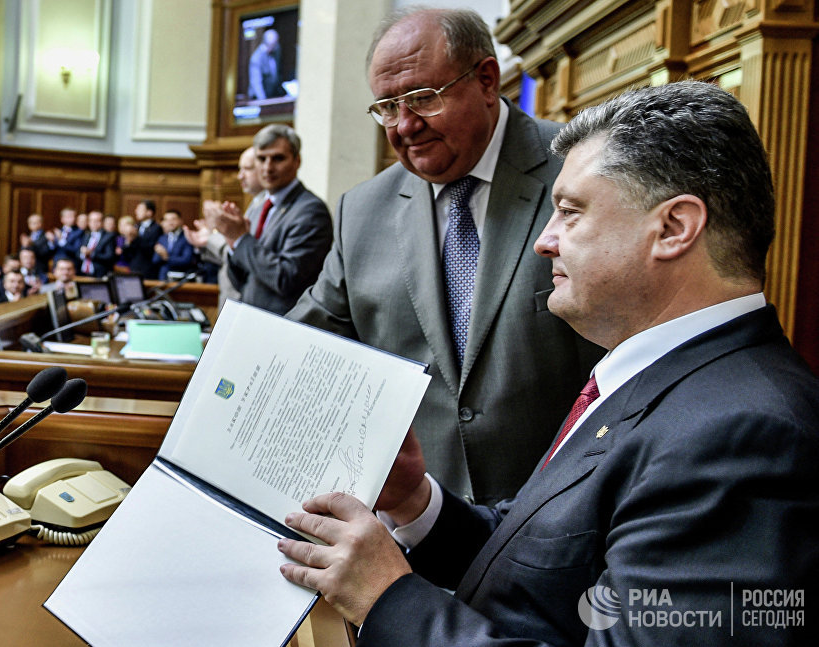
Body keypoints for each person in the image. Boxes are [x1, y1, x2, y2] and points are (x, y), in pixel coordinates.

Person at [277, 81, 819, 646]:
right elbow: (545, 561)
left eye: (570, 212)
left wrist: (389, 599)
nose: (545, 240)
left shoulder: (745, 436)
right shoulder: (658, 376)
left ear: (673, 228)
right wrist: (416, 502)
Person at [287, 7, 601, 505]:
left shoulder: (582, 171)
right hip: (417, 519)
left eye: (423, 98)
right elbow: (306, 342)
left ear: (486, 80)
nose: (405, 125)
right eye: (388, 106)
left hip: (562, 509)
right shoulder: (362, 211)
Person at [217, 124, 332, 316]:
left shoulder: (311, 210)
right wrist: (233, 243)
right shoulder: (259, 206)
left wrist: (241, 239)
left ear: (297, 161)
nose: (268, 167)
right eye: (261, 159)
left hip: (285, 322)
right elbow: (242, 280)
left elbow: (285, 278)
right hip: (250, 318)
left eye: (278, 158)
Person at [185, 147, 266, 309]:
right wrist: (209, 239)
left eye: (247, 169)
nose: (240, 175)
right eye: (240, 169)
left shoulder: (267, 208)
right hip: (232, 297)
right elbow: (234, 255)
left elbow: (249, 255)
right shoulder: (256, 204)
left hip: (246, 300)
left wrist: (213, 238)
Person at [152, 210, 196, 280]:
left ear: (180, 221)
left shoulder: (187, 237)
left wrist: (167, 257)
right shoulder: (162, 238)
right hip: (163, 277)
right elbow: (155, 260)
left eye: (173, 219)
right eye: (167, 220)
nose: (170, 223)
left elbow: (186, 260)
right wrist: (160, 253)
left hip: (181, 278)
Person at [123, 200, 162, 277]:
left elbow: (150, 249)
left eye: (139, 209)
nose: (136, 211)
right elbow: (128, 252)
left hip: (148, 269)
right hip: (133, 267)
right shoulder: (136, 226)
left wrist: (136, 237)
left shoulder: (156, 228)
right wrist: (128, 242)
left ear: (149, 212)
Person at [78, 211, 116, 278]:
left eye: (97, 221)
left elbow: (109, 256)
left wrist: (91, 253)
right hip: (83, 272)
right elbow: (78, 252)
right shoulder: (86, 235)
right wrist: (82, 253)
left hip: (99, 273)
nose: (94, 223)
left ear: (102, 222)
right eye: (91, 221)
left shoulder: (109, 236)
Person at [248, 28, 281, 100]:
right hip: (258, 98)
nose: (277, 45)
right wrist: (263, 101)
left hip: (271, 95)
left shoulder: (276, 51)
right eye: (275, 44)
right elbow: (256, 83)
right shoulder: (256, 58)